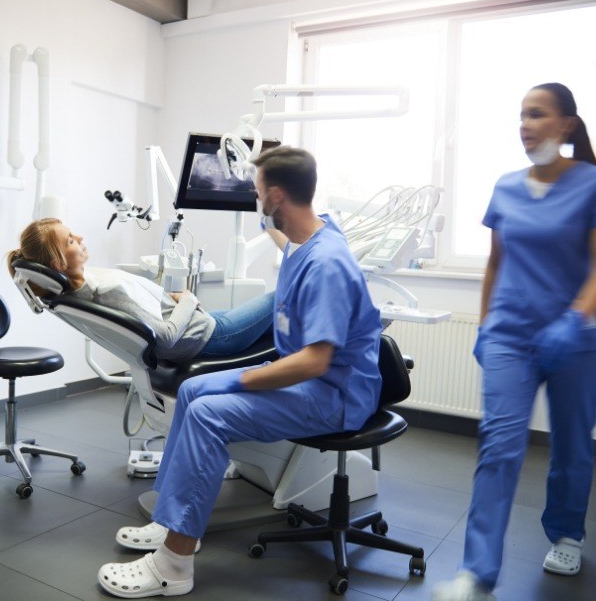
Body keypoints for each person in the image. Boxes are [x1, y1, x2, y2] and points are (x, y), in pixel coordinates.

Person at [96, 146, 383, 598]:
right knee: (192, 390)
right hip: (307, 381)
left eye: (257, 192)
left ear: (277, 196)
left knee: (212, 413)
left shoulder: (327, 264)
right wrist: (267, 213)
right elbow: (285, 240)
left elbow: (315, 360)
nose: (254, 199)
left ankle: (174, 564)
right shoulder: (307, 234)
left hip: (334, 394)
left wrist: (246, 378)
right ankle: (168, 522)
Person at [432, 83, 596, 601]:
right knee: (498, 447)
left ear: (566, 125)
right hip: (510, 337)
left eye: (537, 114)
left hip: (579, 340)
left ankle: (566, 534)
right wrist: (484, 326)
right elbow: (496, 263)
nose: (525, 124)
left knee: (570, 445)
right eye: (521, 115)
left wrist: (575, 319)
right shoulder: (506, 186)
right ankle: (477, 573)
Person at [7, 218, 274, 363]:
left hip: (200, 326)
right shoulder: (104, 292)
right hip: (208, 337)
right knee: (282, 299)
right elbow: (167, 337)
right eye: (71, 240)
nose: (80, 238)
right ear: (59, 264)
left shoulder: (80, 287)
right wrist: (188, 299)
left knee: (280, 326)